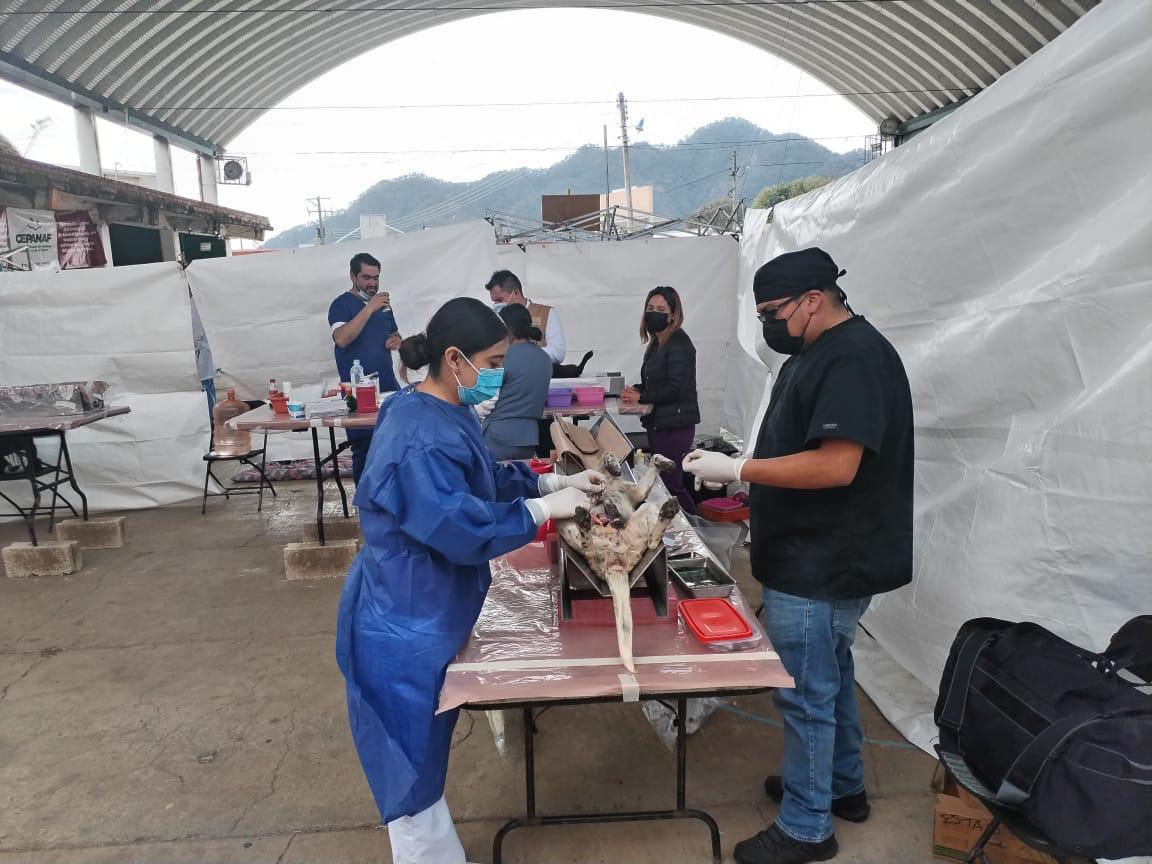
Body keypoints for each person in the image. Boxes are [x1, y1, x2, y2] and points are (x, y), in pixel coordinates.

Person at [335, 297, 605, 864]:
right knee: (410, 775)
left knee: (425, 767)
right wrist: (542, 511)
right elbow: (457, 522)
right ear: (455, 358)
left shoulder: (438, 408)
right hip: (404, 622)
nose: (501, 372)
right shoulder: (418, 435)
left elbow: (478, 475)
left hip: (423, 604)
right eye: (495, 359)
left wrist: (542, 480)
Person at [682, 248, 913, 864]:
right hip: (811, 552)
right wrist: (740, 477)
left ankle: (808, 827)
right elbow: (799, 447)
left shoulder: (854, 358)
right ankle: (842, 785)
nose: (768, 325)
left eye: (772, 312)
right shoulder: (817, 354)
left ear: (814, 299)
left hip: (825, 559)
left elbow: (838, 465)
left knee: (806, 692)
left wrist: (740, 468)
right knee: (830, 677)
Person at [620, 286, 700, 515]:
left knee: (672, 485)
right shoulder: (657, 343)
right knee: (663, 483)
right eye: (650, 308)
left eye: (661, 309)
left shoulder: (680, 344)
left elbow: (677, 387)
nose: (654, 313)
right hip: (660, 424)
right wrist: (638, 389)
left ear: (673, 314)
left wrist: (642, 397)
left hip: (675, 426)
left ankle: (695, 528)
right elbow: (659, 381)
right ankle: (675, 530)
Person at [328, 252, 403, 484]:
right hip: (358, 393)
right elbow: (341, 338)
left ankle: (392, 503)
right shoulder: (341, 305)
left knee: (394, 446)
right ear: (353, 276)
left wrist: (397, 340)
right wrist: (369, 308)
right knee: (365, 448)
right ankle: (366, 506)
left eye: (376, 278)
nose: (372, 283)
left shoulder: (384, 306)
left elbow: (394, 333)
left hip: (388, 387)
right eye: (366, 278)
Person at [482, 304, 552, 460]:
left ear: (506, 328)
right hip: (529, 438)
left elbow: (484, 400)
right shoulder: (545, 359)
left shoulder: (501, 356)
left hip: (497, 438)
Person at [485, 269, 567, 364]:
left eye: (500, 300)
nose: (496, 304)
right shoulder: (496, 319)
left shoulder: (546, 313)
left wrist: (522, 354)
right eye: (494, 301)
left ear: (515, 293)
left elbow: (558, 353)